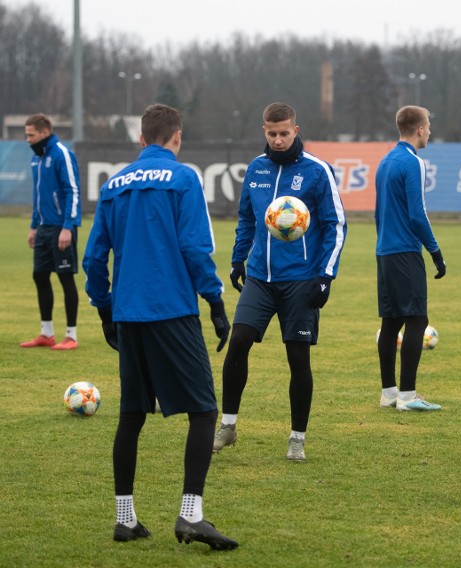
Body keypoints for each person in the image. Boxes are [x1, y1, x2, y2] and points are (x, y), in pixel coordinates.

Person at [83, 103, 237, 550]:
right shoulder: (185, 178)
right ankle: (192, 515)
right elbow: (194, 247)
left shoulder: (114, 185)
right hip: (171, 311)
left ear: (141, 140)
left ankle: (124, 519)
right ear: (177, 138)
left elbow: (94, 258)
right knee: (205, 411)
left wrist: (104, 308)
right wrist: (214, 300)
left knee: (131, 415)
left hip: (128, 315)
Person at [213, 103, 346, 461]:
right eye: (272, 133)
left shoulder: (318, 171)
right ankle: (227, 425)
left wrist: (325, 275)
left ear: (296, 130)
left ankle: (297, 438)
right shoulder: (256, 169)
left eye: (284, 133)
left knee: (297, 357)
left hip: (301, 280)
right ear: (264, 132)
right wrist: (238, 258)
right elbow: (246, 218)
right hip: (260, 276)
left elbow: (336, 225)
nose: (278, 139)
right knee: (239, 340)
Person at [374, 105, 446, 412]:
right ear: (419, 129)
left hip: (385, 252)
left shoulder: (385, 161)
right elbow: (418, 214)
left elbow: (379, 213)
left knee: (391, 322)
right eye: (428, 125)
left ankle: (389, 392)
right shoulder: (413, 162)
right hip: (405, 251)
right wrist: (435, 252)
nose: (429, 131)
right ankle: (407, 395)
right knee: (417, 319)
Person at [20, 114, 81, 350]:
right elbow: (38, 197)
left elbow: (72, 191)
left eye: (30, 135)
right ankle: (47, 333)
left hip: (61, 228)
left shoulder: (61, 154)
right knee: (40, 275)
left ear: (44, 133)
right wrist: (34, 226)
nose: (27, 139)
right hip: (44, 228)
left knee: (65, 277)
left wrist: (68, 226)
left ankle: (71, 335)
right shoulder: (36, 159)